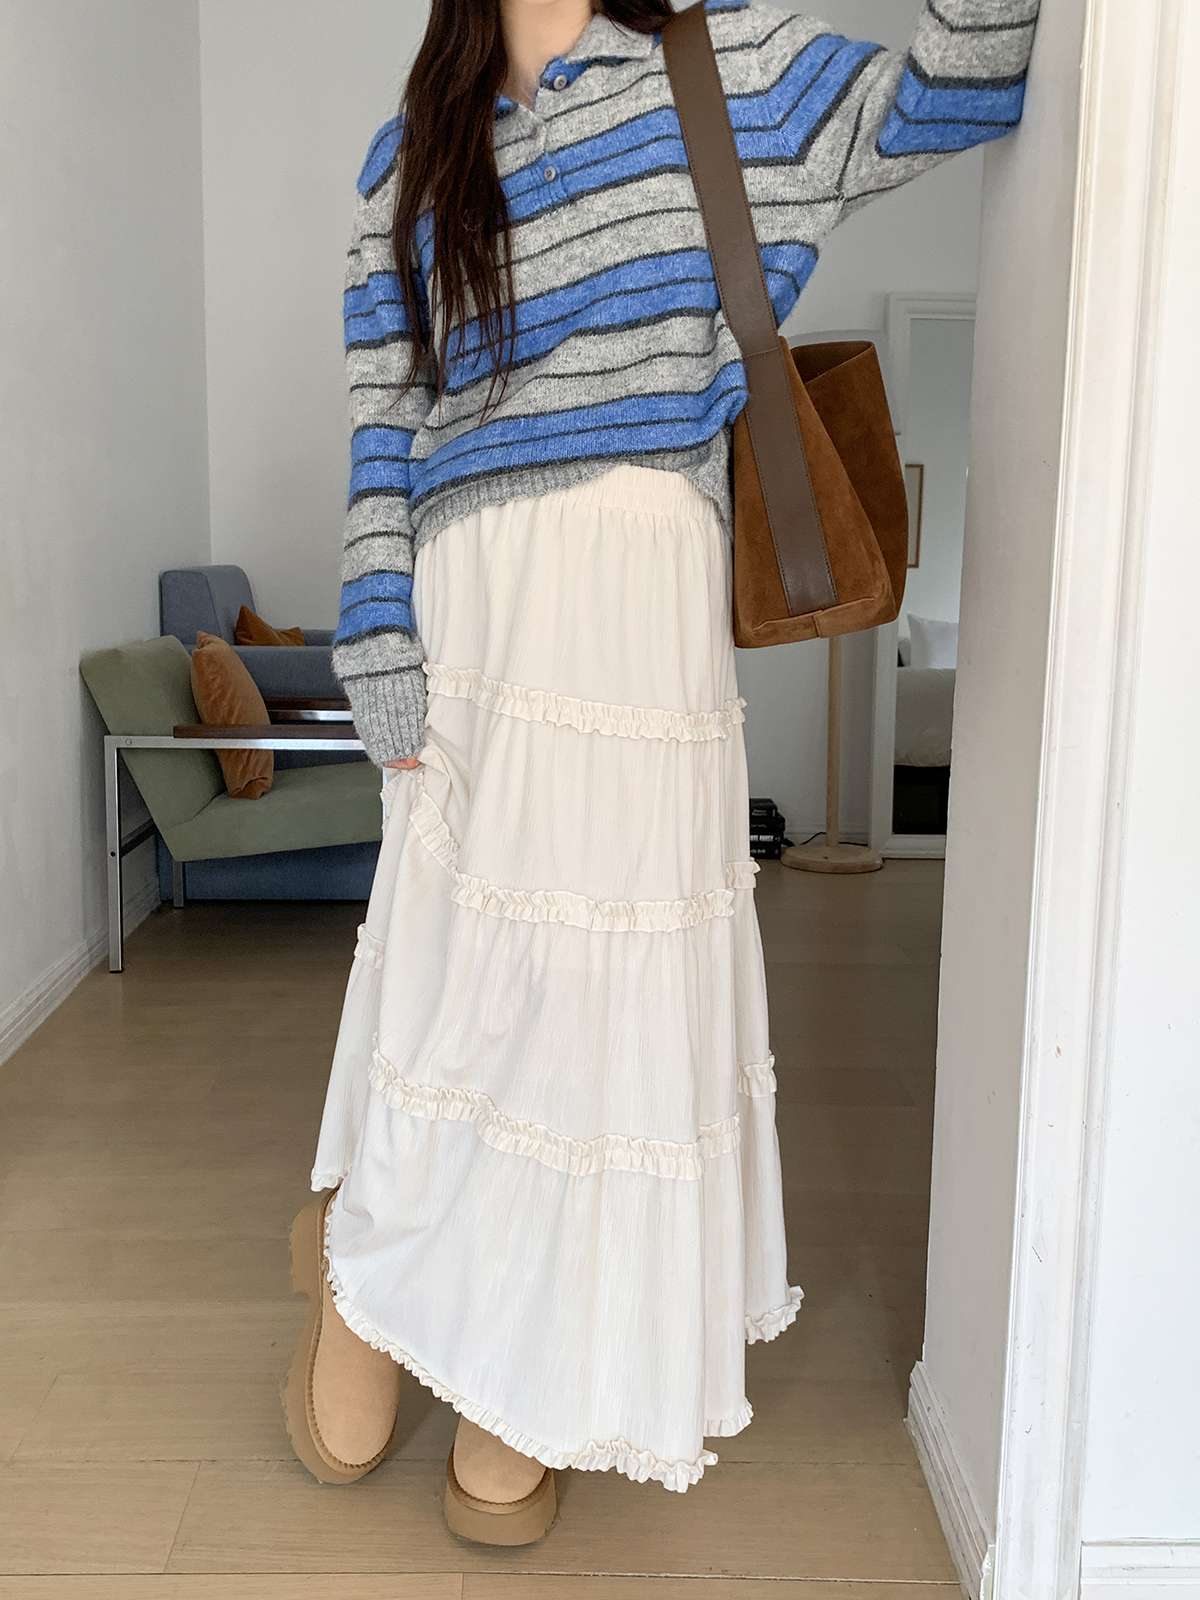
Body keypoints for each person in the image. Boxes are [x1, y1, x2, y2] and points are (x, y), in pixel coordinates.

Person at [284, 0, 1040, 1545]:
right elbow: (382, 427)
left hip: (640, 608)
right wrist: (373, 621)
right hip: (467, 617)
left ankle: (509, 1368)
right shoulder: (407, 159)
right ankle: (369, 1268)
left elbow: (961, 86)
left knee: (596, 1011)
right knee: (461, 981)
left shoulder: (729, 63)